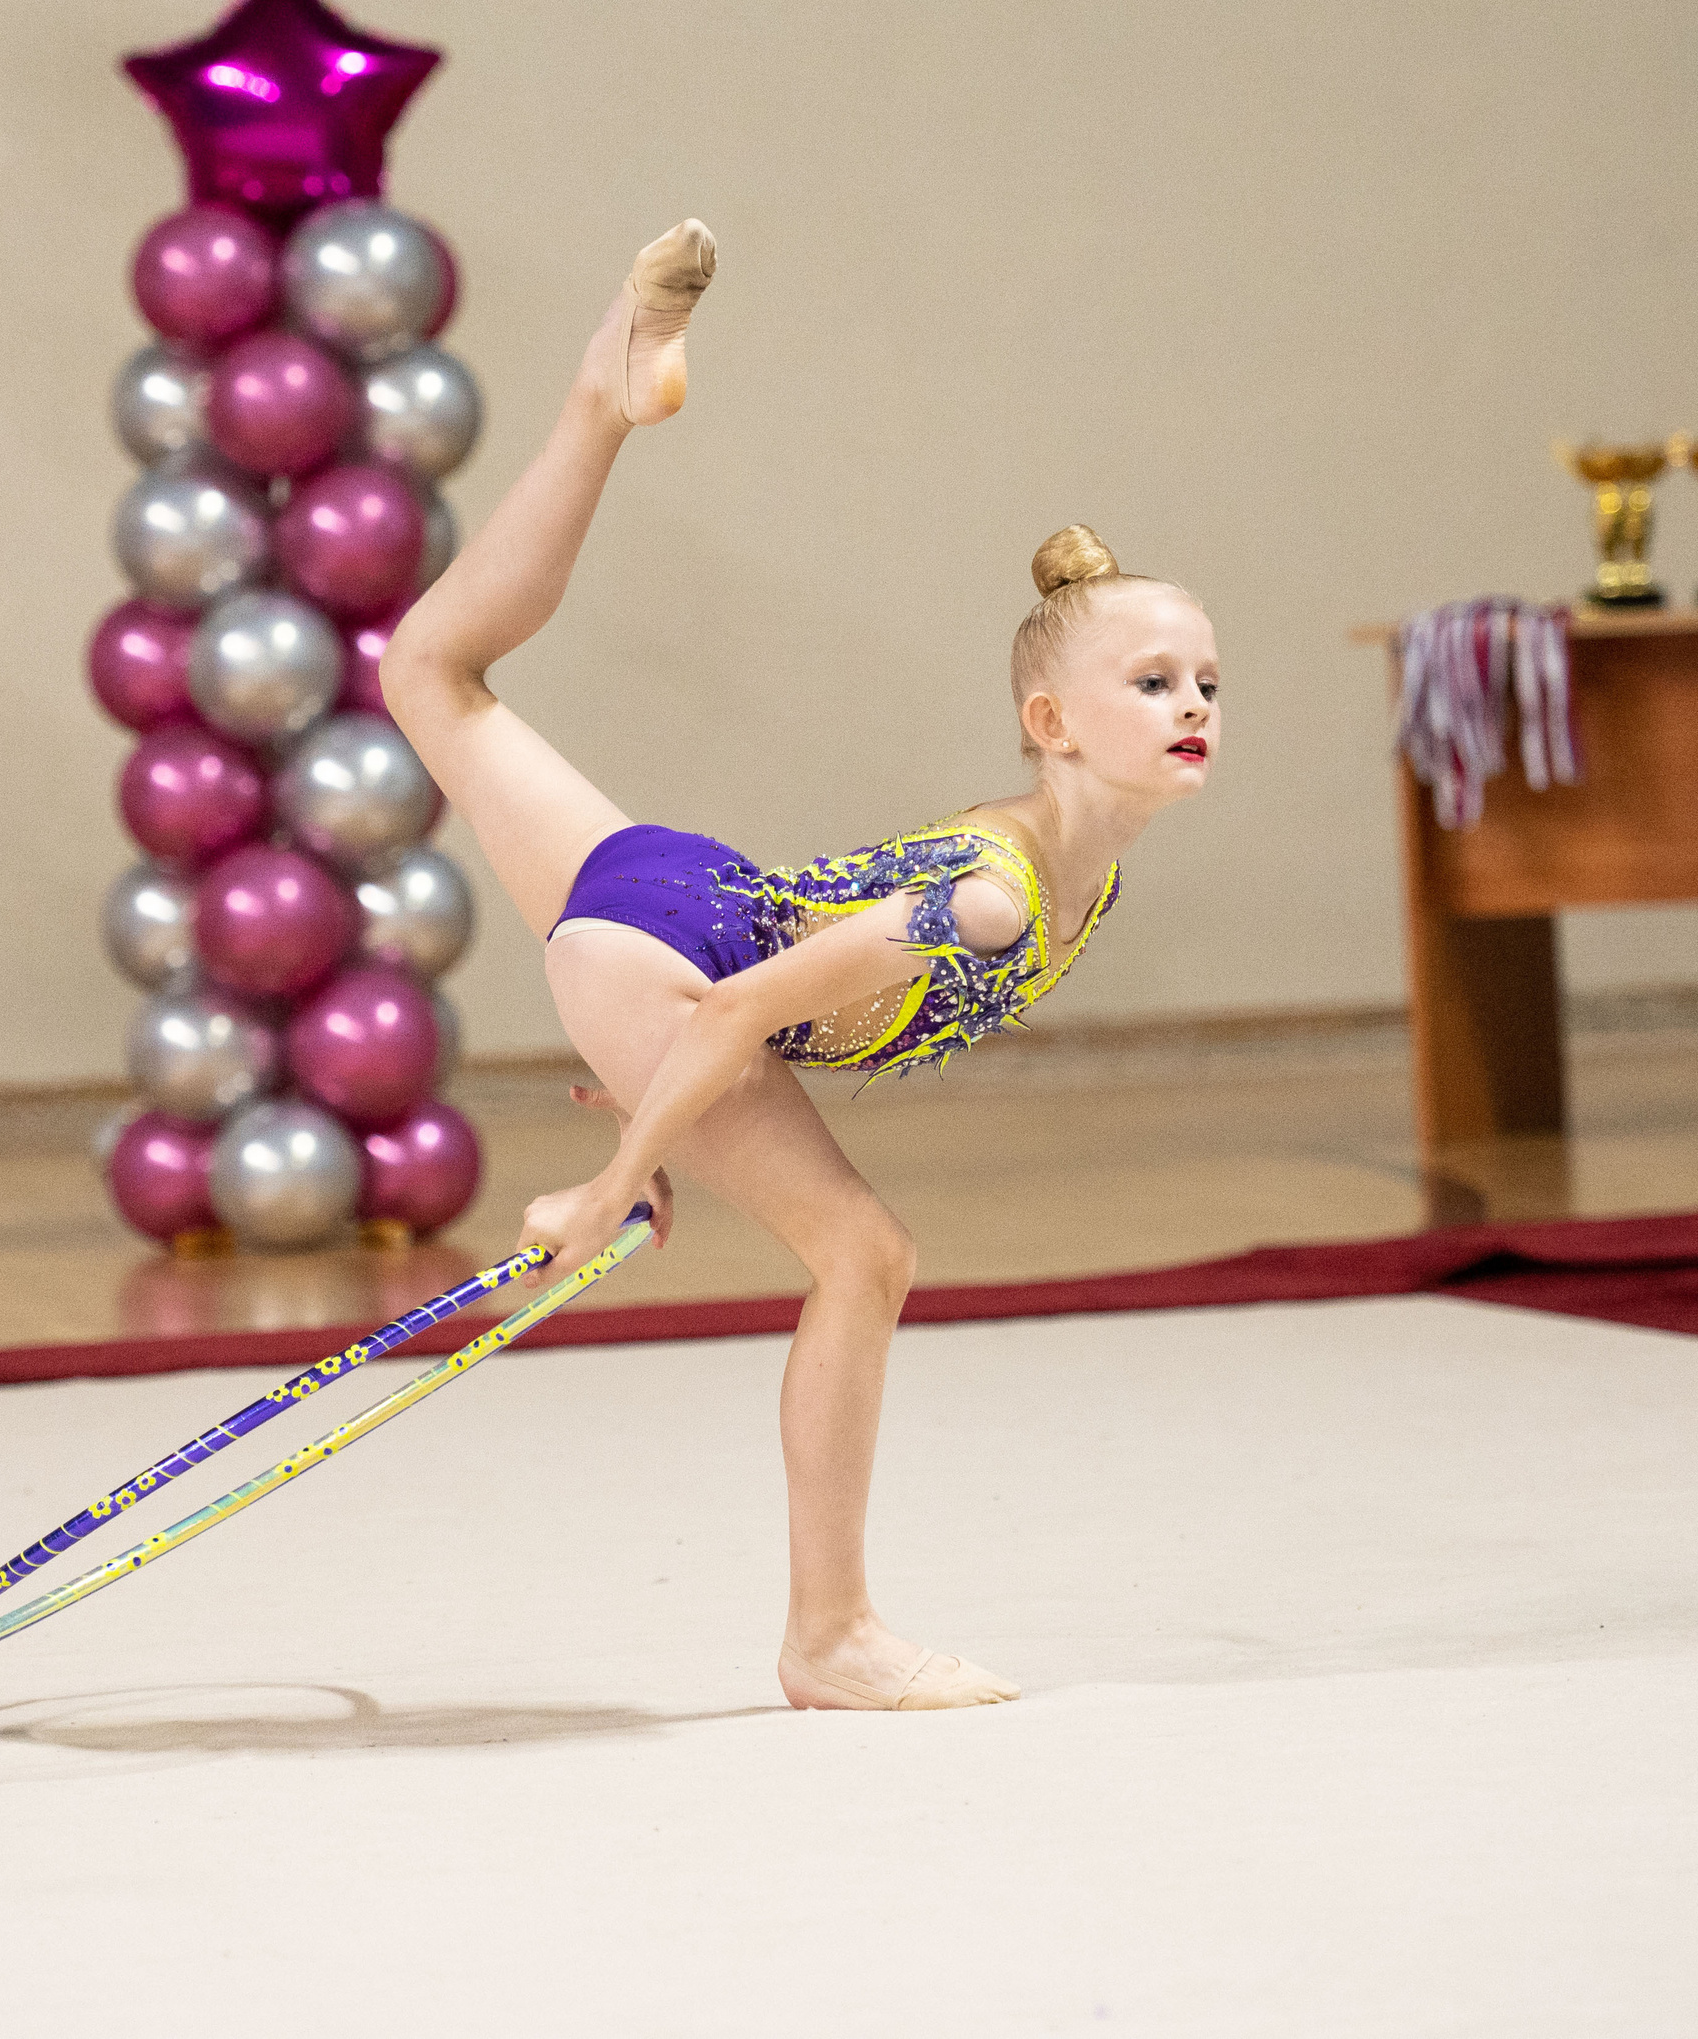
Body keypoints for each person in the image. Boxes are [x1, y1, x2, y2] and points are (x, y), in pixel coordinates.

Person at [379, 222, 1220, 1710]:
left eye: (1207, 682)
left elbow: (750, 1007)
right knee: (864, 1255)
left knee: (431, 675)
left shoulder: (1086, 877)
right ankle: (827, 1637)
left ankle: (601, 392)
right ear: (1052, 722)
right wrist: (619, 1177)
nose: (1194, 704)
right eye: (1150, 684)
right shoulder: (994, 898)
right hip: (680, 957)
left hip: (683, 886)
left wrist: (672, 1092)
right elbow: (742, 1009)